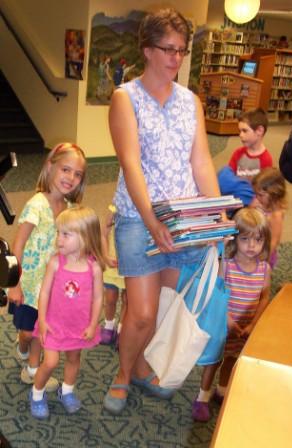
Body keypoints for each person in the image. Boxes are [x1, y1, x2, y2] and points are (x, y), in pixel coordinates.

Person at [103, 8, 224, 415]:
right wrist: (152, 222)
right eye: (168, 49)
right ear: (147, 49)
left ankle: (140, 367)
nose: (175, 58)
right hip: (140, 218)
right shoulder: (125, 98)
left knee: (168, 306)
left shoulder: (191, 102)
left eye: (181, 51)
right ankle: (122, 373)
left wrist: (216, 218)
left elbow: (202, 162)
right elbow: (131, 163)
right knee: (140, 312)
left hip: (185, 217)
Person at [8, 142, 86, 391]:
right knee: (27, 332)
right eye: (66, 169)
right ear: (50, 166)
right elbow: (17, 245)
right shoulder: (36, 204)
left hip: (53, 287)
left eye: (77, 174)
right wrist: (14, 283)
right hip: (29, 286)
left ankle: (32, 369)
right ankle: (21, 347)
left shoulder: (71, 209)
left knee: (42, 329)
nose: (71, 178)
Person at [193, 207, 271, 422]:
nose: (252, 246)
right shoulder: (227, 266)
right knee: (215, 361)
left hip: (244, 329)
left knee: (231, 360)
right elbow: (215, 293)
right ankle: (202, 397)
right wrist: (227, 320)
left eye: (258, 240)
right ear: (236, 240)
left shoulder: (264, 270)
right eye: (245, 239)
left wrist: (253, 324)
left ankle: (222, 389)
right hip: (223, 324)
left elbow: (264, 298)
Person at [29, 206, 104, 419]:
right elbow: (44, 293)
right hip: (53, 324)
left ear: (85, 237)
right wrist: (42, 321)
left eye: (65, 234)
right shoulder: (55, 262)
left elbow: (98, 298)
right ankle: (36, 394)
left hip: (78, 326)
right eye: (57, 233)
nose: (58, 239)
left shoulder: (94, 268)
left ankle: (67, 391)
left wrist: (92, 324)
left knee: (74, 358)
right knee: (50, 362)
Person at [218, 108, 273, 207]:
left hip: (251, 204)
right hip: (233, 199)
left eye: (245, 131)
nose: (240, 135)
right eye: (240, 131)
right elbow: (229, 177)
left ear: (259, 131)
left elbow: (264, 189)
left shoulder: (266, 159)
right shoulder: (238, 153)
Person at [100, 204, 127, 346]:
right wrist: (105, 256)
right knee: (110, 298)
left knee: (127, 300)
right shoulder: (114, 208)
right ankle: (109, 326)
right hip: (112, 265)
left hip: (130, 265)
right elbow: (103, 234)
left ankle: (122, 330)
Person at [251, 167, 287, 268]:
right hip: (252, 244)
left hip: (265, 252)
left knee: (261, 279)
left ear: (274, 194)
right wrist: (252, 208)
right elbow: (248, 216)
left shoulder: (276, 215)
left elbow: (274, 241)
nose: (257, 197)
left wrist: (263, 259)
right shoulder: (258, 201)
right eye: (256, 194)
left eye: (260, 195)